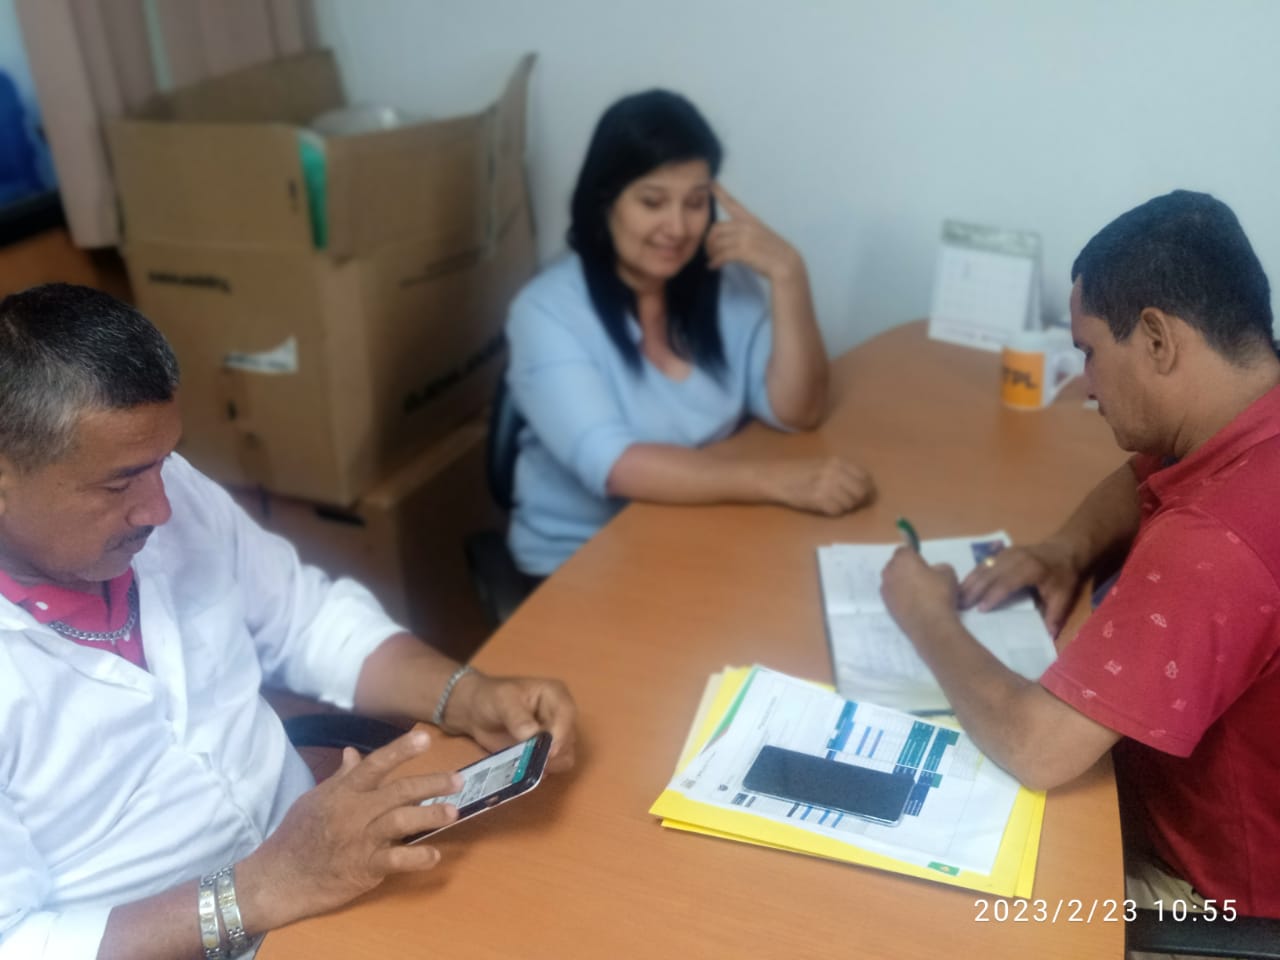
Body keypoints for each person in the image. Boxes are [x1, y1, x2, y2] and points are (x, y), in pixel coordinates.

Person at [0, 283, 578, 960]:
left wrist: (467, 695)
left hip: (322, 879)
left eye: (164, 459)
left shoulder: (169, 493)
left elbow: (307, 620)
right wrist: (262, 889)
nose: (160, 508)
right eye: (119, 482)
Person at [880, 190, 1280, 920]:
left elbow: (1037, 749)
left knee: (925, 907)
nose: (1087, 385)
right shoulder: (1248, 413)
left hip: (1217, 898)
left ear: (1156, 339)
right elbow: (1146, 473)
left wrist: (924, 616)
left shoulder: (1215, 542)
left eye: (1090, 352)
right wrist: (1067, 550)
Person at [505, 90, 873, 576]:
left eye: (696, 203)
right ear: (604, 200)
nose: (677, 228)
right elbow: (615, 466)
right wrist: (778, 482)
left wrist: (789, 275)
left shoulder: (725, 281)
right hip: (584, 561)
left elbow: (798, 411)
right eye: (652, 202)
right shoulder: (545, 312)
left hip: (703, 529)